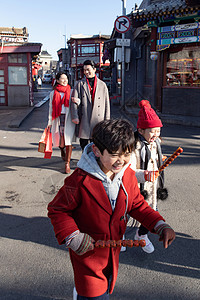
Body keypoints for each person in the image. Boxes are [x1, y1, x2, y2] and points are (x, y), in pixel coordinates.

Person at [47, 118, 175, 299]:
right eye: (115, 154)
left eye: (126, 154)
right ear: (96, 151)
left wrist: (159, 224)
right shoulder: (78, 180)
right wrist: (73, 236)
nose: (121, 161)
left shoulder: (127, 175)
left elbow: (137, 204)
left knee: (107, 286)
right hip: (88, 254)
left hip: (112, 254)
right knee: (95, 294)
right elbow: (57, 210)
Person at [131, 100, 168, 254]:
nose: (156, 135)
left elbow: (154, 159)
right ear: (141, 130)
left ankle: (141, 235)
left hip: (152, 187)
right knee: (127, 216)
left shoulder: (155, 143)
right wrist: (145, 175)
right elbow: (129, 171)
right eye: (152, 131)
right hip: (136, 188)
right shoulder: (134, 147)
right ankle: (120, 239)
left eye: (158, 131)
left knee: (152, 212)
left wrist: (160, 160)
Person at [71, 59, 110, 151]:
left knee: (97, 143)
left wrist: (107, 120)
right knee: (84, 143)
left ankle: (94, 161)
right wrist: (75, 116)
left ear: (94, 69)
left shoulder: (102, 85)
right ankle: (85, 160)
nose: (86, 72)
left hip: (98, 119)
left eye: (88, 69)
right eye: (84, 70)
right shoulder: (80, 84)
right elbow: (73, 101)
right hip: (84, 117)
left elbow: (106, 103)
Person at [47, 72, 75, 173]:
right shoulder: (53, 93)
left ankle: (67, 164)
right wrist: (49, 122)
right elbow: (51, 108)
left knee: (68, 141)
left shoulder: (71, 91)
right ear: (57, 80)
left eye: (66, 79)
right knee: (60, 141)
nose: (64, 81)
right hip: (58, 118)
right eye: (62, 79)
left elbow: (78, 103)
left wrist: (78, 101)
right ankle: (62, 150)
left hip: (68, 118)